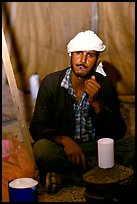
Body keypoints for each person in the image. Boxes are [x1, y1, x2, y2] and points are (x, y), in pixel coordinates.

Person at [29, 30, 127, 193]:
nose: (82, 60)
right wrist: (64, 140)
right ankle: (102, 172)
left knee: (131, 146)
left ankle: (67, 176)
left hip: (94, 147)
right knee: (41, 149)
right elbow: (37, 127)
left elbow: (117, 132)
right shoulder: (52, 83)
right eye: (78, 53)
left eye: (90, 55)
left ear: (97, 60)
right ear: (70, 55)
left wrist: (96, 104)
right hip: (65, 149)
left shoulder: (104, 85)